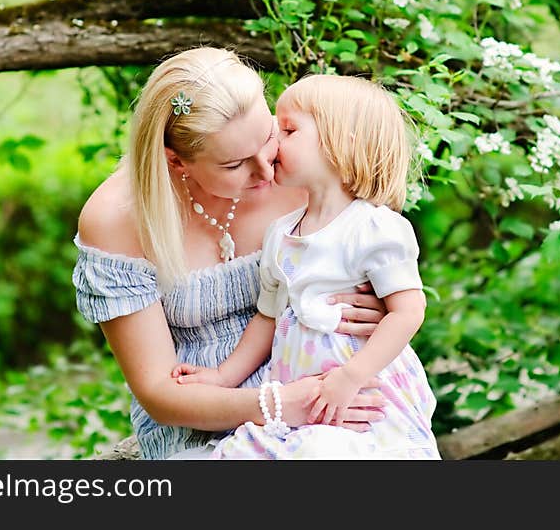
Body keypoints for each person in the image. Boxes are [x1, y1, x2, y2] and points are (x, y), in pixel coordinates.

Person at [72, 47, 391, 459]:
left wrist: (381, 300)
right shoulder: (116, 219)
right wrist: (284, 404)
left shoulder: (309, 158)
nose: (266, 169)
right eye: (235, 164)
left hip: (324, 379)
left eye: (269, 136)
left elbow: (380, 243)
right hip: (203, 417)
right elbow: (158, 391)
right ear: (176, 161)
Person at [173, 74, 441, 459]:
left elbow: (409, 311)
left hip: (361, 394)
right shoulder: (280, 232)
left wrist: (349, 378)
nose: (272, 143)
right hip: (299, 393)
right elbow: (268, 317)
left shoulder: (374, 227)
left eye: (288, 129)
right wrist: (222, 377)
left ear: (340, 142)